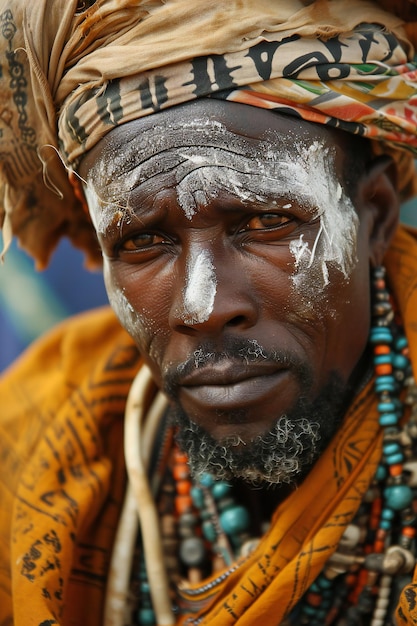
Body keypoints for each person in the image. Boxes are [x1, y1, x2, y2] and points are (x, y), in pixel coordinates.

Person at [1, 1, 417, 625]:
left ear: (375, 215)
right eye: (143, 240)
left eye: (265, 222)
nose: (203, 306)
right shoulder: (37, 431)